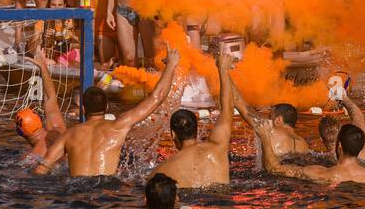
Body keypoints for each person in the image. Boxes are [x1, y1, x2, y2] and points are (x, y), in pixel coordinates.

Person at [36, 44, 181, 177]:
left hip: (76, 191)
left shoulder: (68, 136)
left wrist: (43, 67)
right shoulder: (118, 127)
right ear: (106, 107)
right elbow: (157, 97)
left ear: (83, 108)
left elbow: (42, 169)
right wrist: (171, 65)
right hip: (105, 192)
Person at [149, 45, 233, 189]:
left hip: (188, 207)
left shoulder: (162, 172)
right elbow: (228, 108)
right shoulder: (218, 147)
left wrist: (170, 65)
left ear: (172, 134)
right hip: (221, 202)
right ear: (197, 129)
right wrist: (223, 69)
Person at [251, 104, 365, 186]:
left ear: (340, 147)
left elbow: (273, 168)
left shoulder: (323, 173)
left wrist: (265, 137)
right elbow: (359, 118)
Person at [15, 50, 71, 163]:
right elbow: (50, 97)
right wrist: (43, 68)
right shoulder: (57, 129)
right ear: (39, 121)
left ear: (21, 132)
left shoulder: (31, 157)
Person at [230, 88, 309, 159]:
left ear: (278, 120)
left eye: (271, 116)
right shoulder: (304, 144)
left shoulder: (270, 131)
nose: (268, 119)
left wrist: (224, 74)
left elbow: (239, 102)